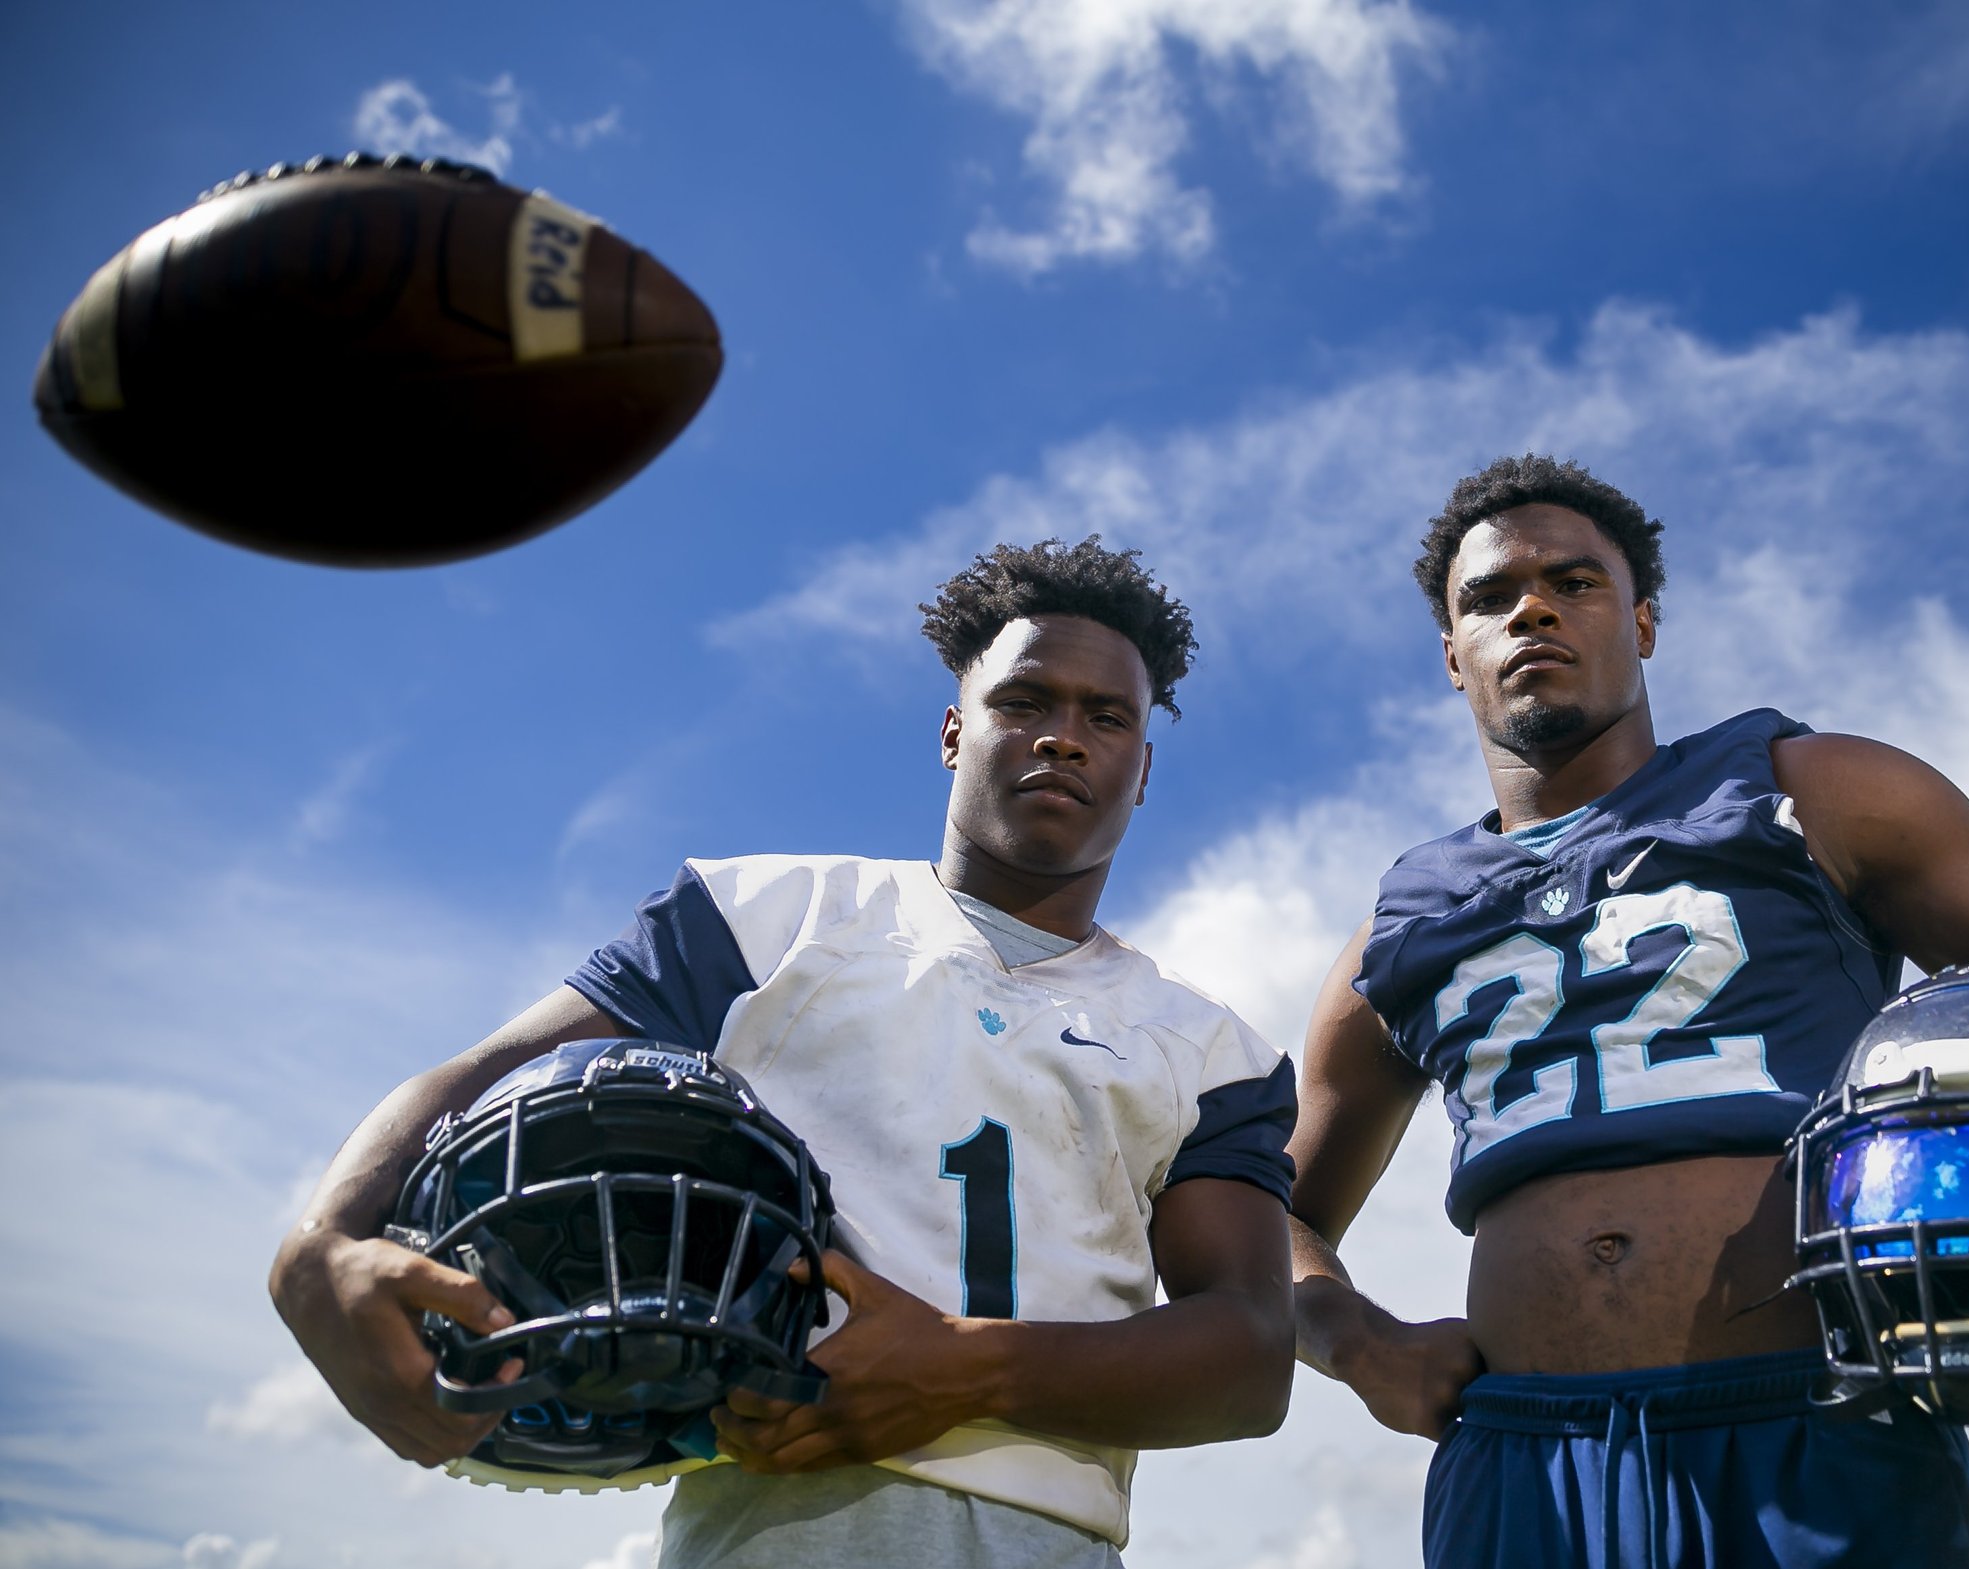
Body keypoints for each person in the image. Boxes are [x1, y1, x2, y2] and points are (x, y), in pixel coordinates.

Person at [1284, 456, 1969, 1568]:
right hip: (1529, 1465)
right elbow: (1268, 1213)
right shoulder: (1398, 928)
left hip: (1826, 1421)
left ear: (1643, 622)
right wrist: (1351, 1337)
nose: (1534, 609)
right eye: (1489, 598)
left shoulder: (1806, 791)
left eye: (1577, 581)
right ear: (1452, 657)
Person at [269, 538, 1297, 1568]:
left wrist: (968, 1370)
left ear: (1143, 770)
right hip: (771, 1518)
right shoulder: (764, 917)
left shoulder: (1209, 1049)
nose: (1063, 739)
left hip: (1050, 1535)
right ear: (954, 731)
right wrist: (316, 1245)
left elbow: (1250, 1357)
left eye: (1104, 716)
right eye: (1023, 701)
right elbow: (482, 1081)